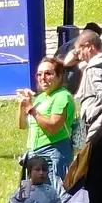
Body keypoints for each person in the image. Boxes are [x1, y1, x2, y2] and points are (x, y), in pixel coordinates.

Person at [16, 57, 77, 186]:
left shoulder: (62, 96)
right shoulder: (41, 98)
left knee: (57, 197)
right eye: (39, 74)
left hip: (54, 154)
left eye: (48, 73)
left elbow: (53, 127)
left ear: (60, 76)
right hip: (36, 155)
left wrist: (31, 109)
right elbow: (22, 125)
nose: (42, 78)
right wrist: (23, 106)